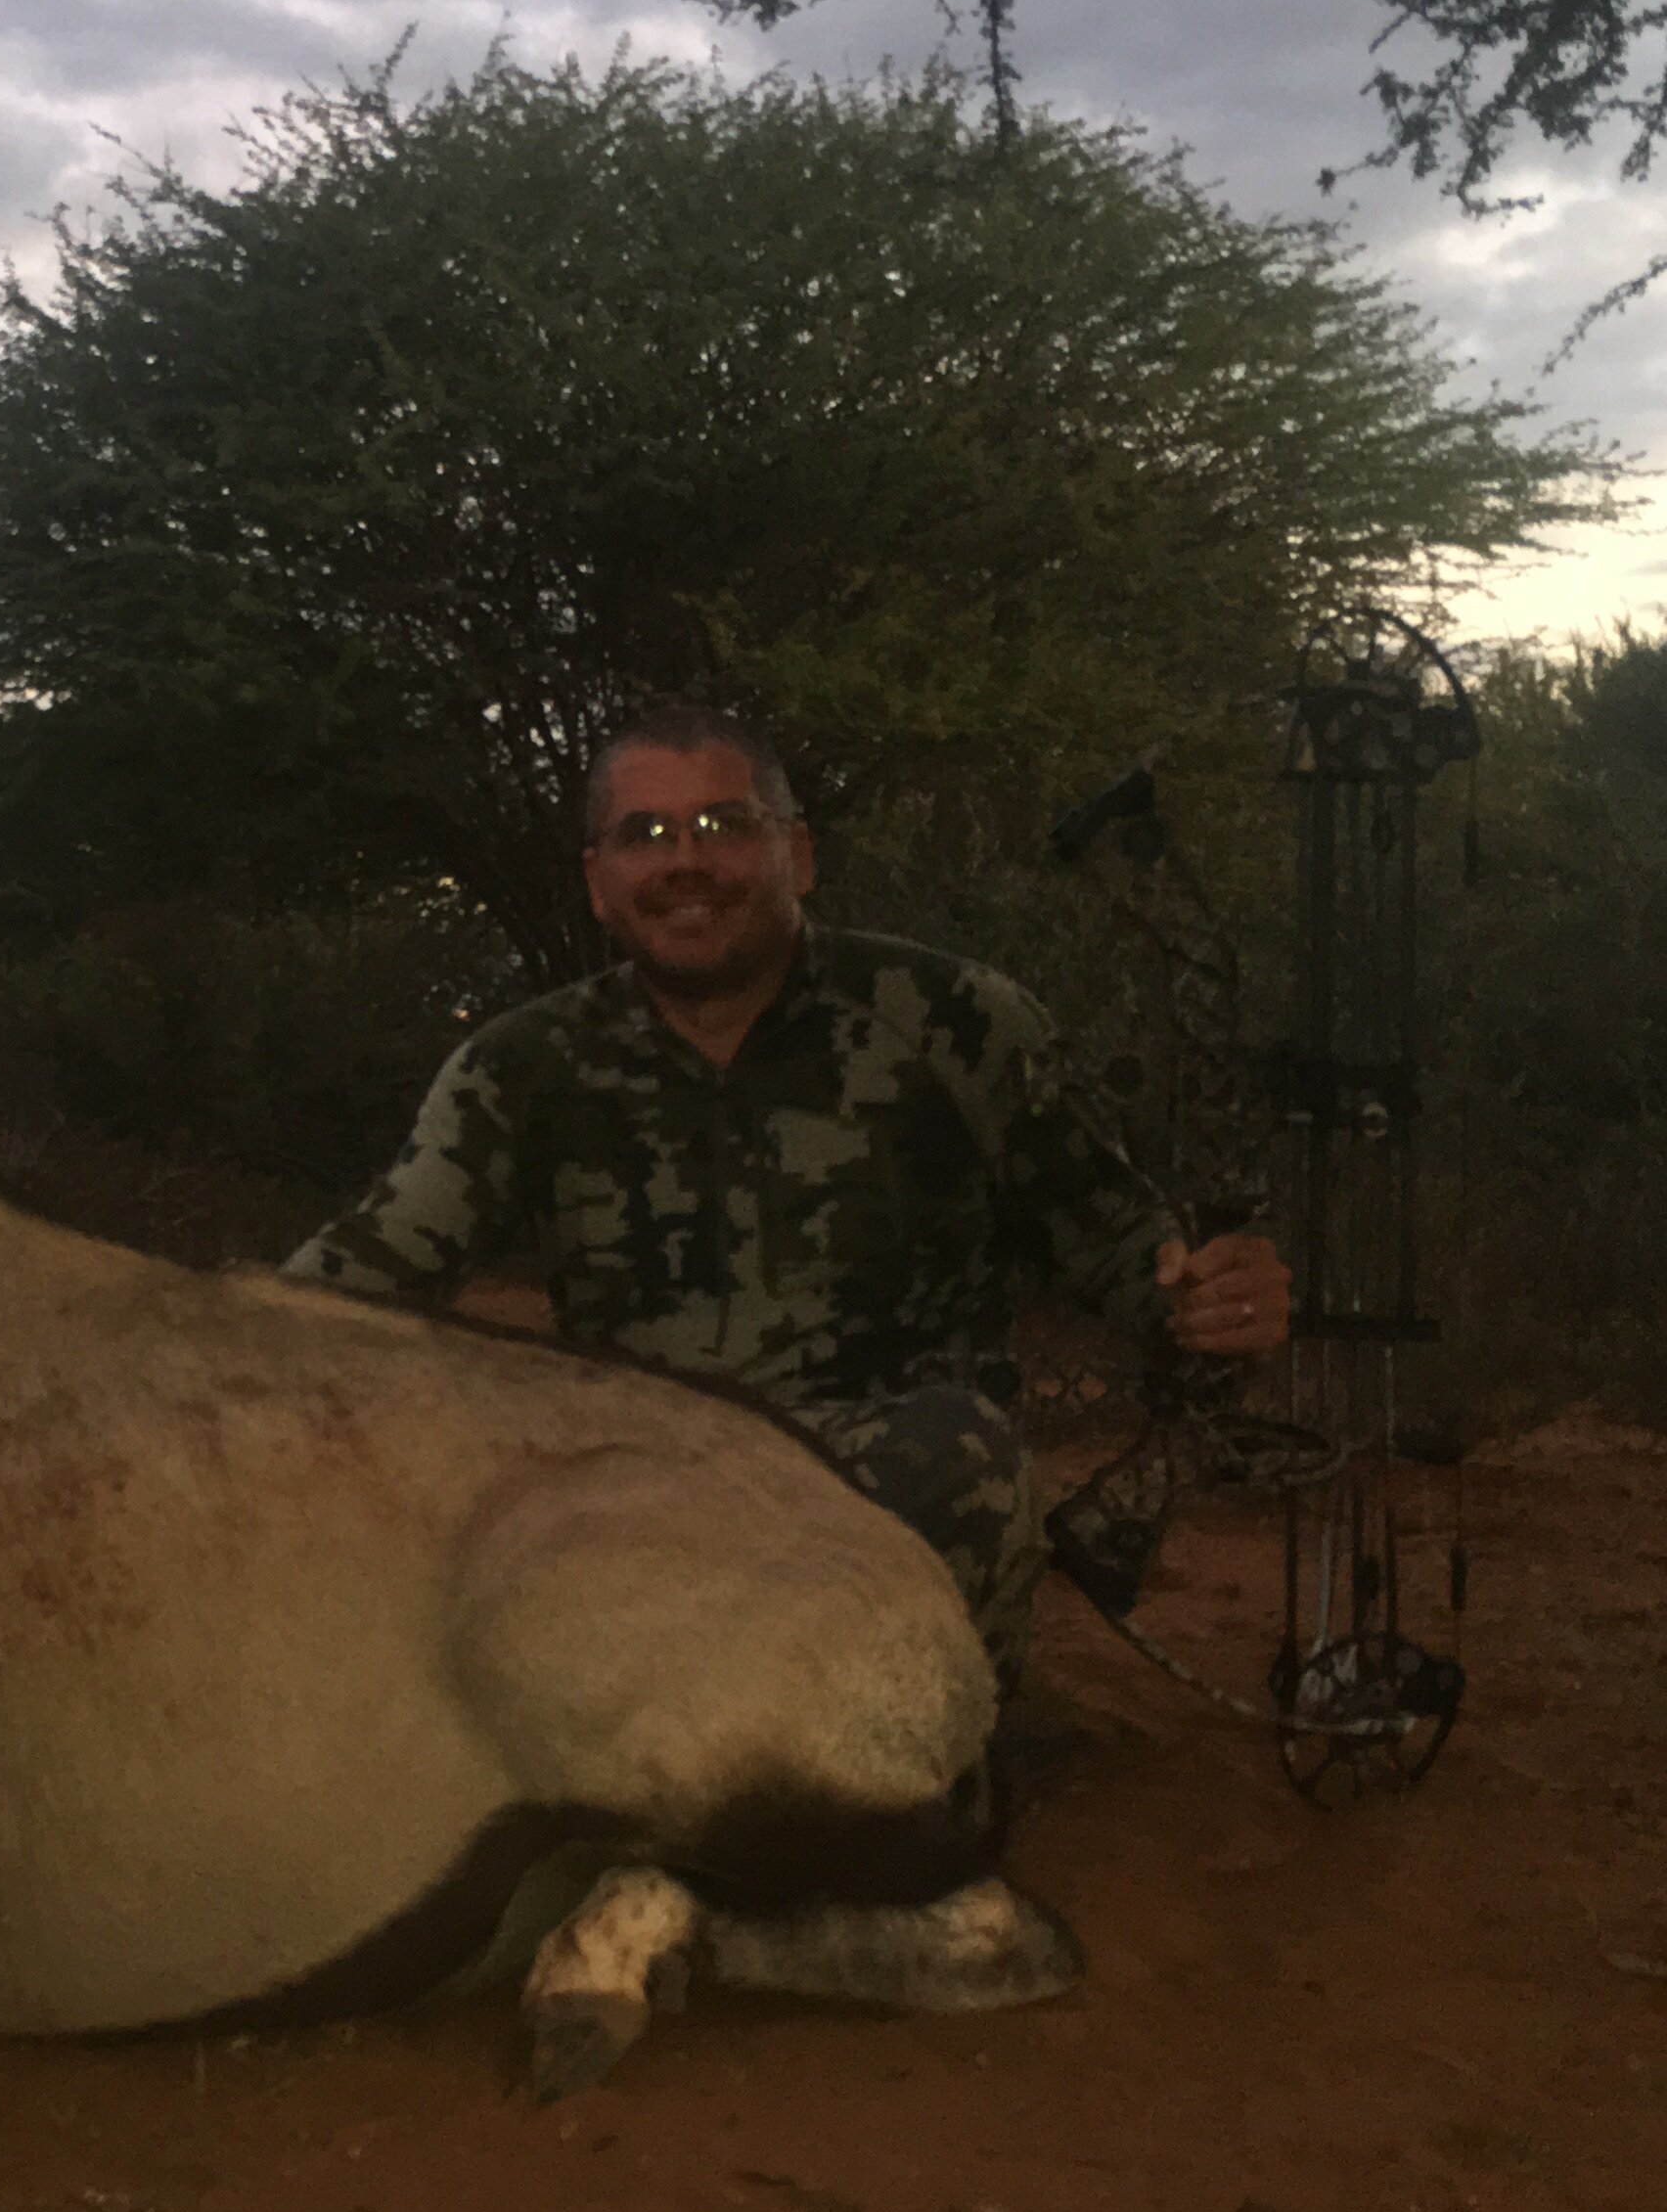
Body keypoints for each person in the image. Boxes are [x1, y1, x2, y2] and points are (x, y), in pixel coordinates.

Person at [284, 702, 1289, 1697]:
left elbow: (1120, 1242)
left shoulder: (960, 1023)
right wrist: (181, 1336)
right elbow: (368, 1269)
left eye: (724, 826)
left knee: (957, 1452)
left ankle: (918, 1793)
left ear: (795, 855)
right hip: (631, 1493)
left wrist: (1206, 1297)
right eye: (647, 835)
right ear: (600, 883)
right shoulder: (518, 1067)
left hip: (882, 1491)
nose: (687, 862)